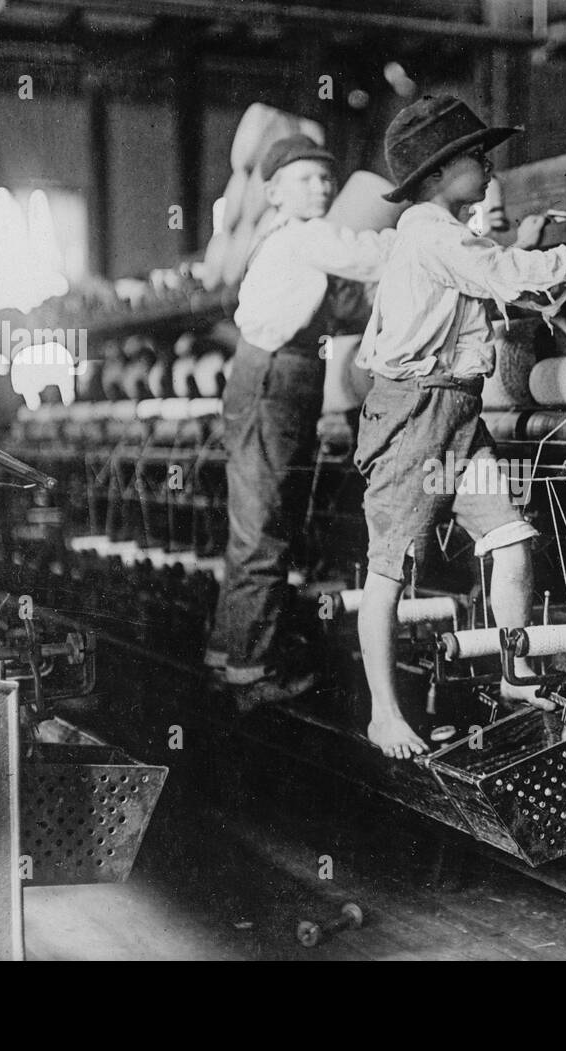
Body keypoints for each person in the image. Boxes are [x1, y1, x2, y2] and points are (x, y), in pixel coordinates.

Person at [353, 96, 566, 758]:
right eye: (475, 158)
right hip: (415, 416)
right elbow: (510, 276)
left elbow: (499, 265)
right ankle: (381, 713)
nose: (488, 167)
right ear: (434, 174)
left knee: (512, 540)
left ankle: (516, 676)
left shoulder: (447, 232)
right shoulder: (432, 233)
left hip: (457, 410)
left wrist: (532, 240)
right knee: (390, 570)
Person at [206, 134, 395, 706]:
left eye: (325, 178)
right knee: (264, 529)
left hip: (275, 377)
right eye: (306, 178)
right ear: (272, 192)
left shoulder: (285, 243)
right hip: (275, 381)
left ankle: (228, 651)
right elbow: (375, 255)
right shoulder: (305, 236)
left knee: (258, 525)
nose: (321, 186)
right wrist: (436, 234)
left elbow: (342, 307)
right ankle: (250, 674)